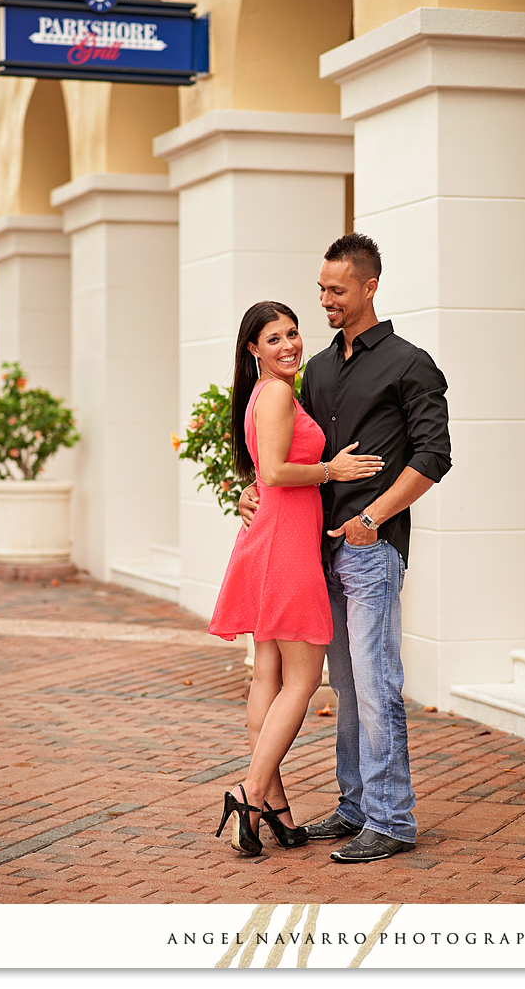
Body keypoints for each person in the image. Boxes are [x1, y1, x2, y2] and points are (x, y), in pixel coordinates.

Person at [239, 233, 452, 863]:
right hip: (314, 552)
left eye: (336, 290)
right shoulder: (320, 369)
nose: (326, 301)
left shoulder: (411, 363)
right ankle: (357, 806)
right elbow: (287, 449)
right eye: (321, 290)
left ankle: (392, 818)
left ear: (369, 286)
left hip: (370, 547)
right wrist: (249, 492)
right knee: (349, 683)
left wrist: (374, 517)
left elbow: (434, 456)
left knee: (377, 679)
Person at [209, 300, 383, 857]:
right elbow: (279, 471)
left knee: (268, 676)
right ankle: (251, 790)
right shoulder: (279, 393)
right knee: (302, 681)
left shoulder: (263, 393)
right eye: (274, 338)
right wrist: (332, 469)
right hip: (285, 545)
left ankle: (276, 812)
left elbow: (264, 471)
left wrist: (254, 487)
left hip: (270, 539)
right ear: (253, 349)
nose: (289, 345)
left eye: (292, 333)